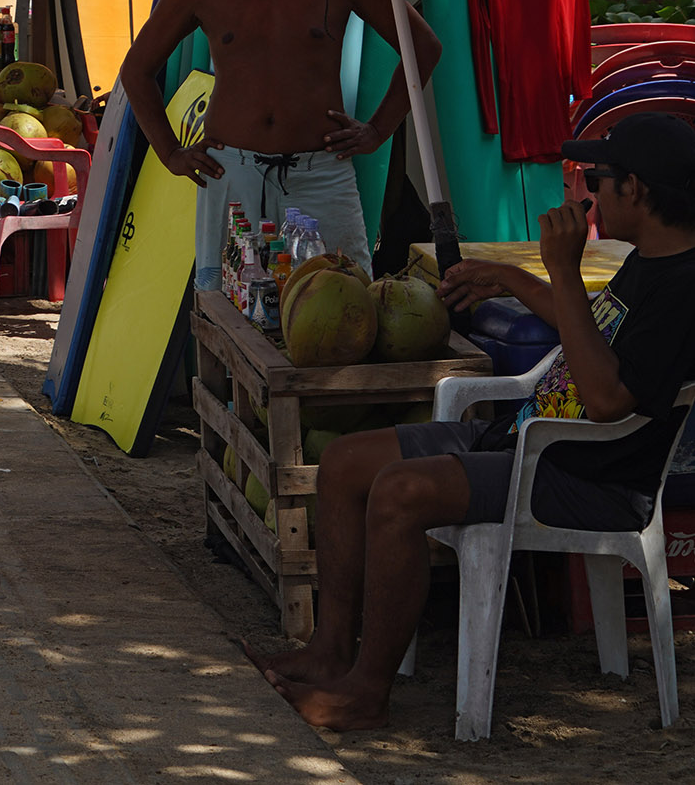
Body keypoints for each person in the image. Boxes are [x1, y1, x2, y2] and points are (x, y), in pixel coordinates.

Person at [254, 111, 695, 730]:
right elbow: (586, 328)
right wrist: (511, 279)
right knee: (345, 464)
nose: (586, 192)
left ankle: (366, 693)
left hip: (585, 476)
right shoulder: (647, 257)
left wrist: (563, 268)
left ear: (637, 190)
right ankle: (330, 655)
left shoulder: (682, 288)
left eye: (597, 178)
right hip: (531, 440)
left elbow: (606, 401)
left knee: (398, 493)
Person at [120, 0, 443, 289]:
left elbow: (423, 46)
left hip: (320, 176)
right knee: (230, 320)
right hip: (230, 175)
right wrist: (170, 152)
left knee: (342, 311)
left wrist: (377, 130)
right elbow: (136, 70)